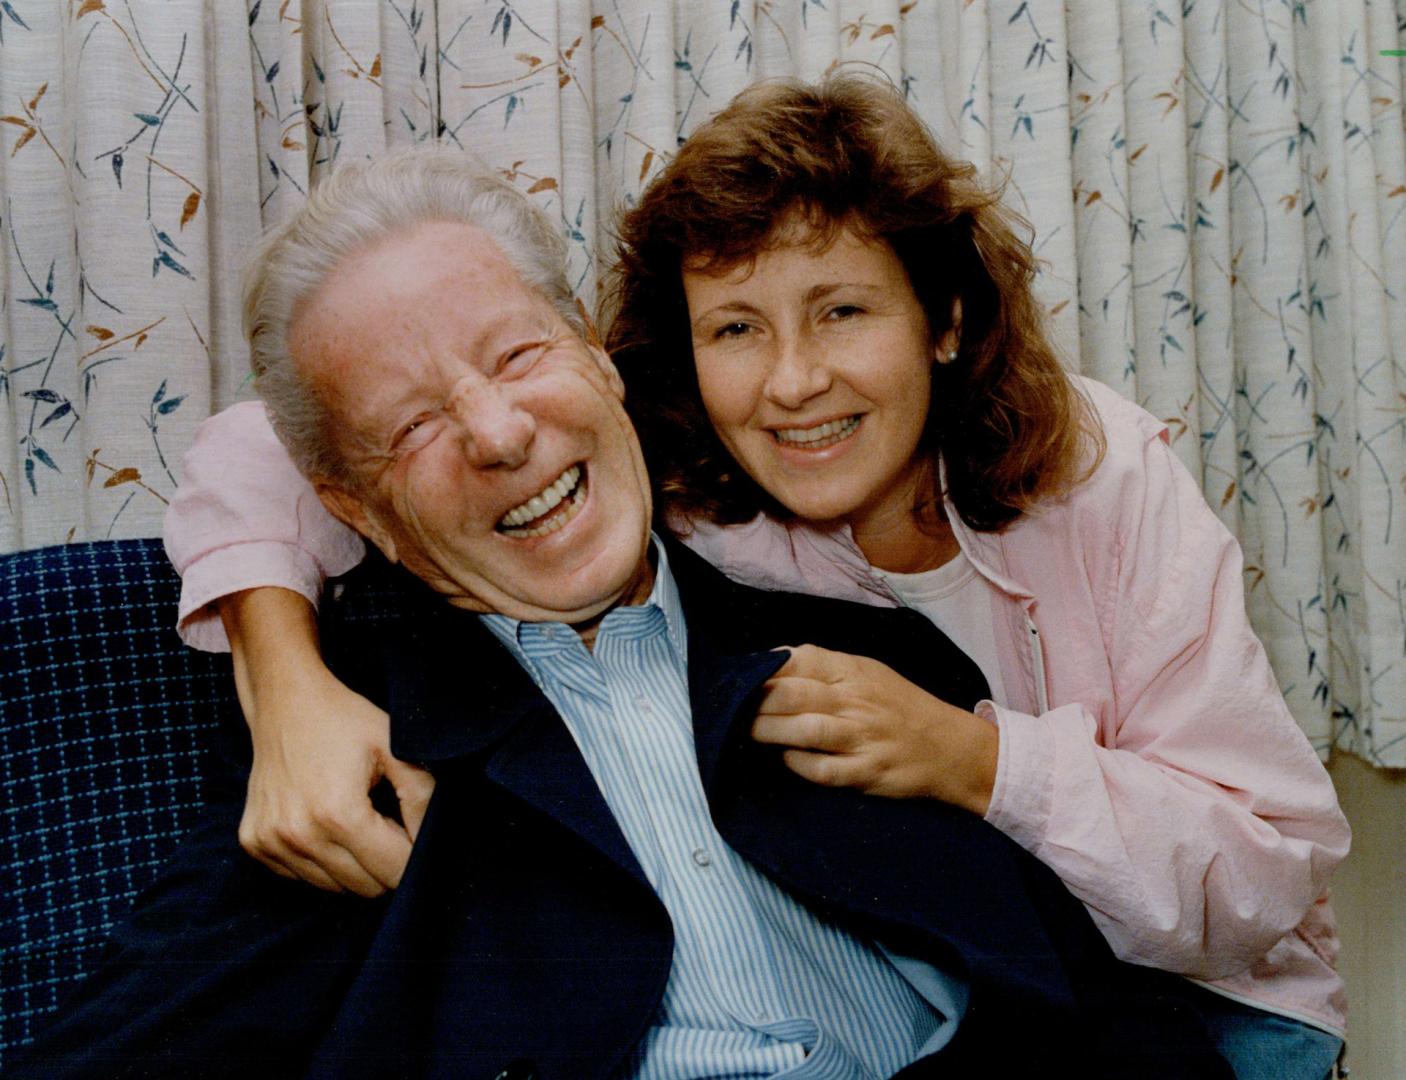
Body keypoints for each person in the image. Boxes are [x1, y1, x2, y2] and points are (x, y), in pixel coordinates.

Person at [161, 80, 1350, 1077]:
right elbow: (295, 433)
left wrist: (978, 760)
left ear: (941, 317)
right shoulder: (672, 485)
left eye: (841, 311)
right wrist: (283, 670)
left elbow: (1259, 877)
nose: (792, 385)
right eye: (733, 329)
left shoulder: (1094, 478)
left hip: (1228, 977)